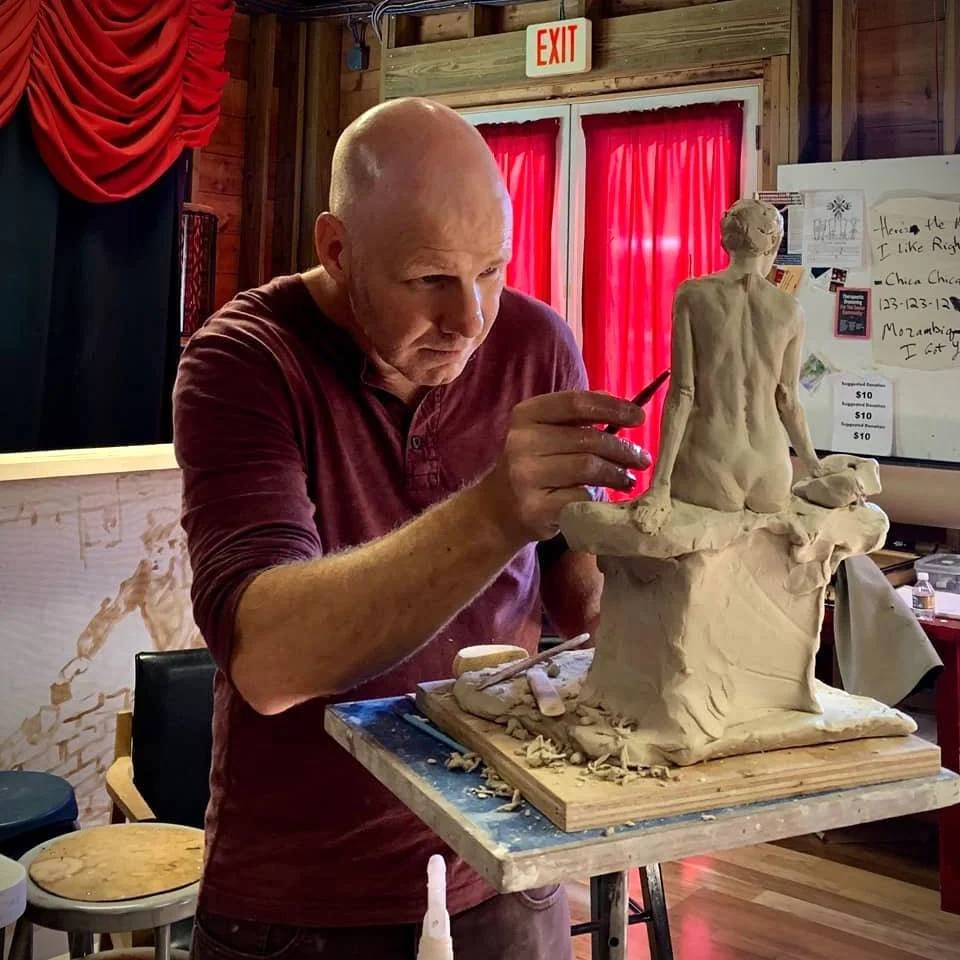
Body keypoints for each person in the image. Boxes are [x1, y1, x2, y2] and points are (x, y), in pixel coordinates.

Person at [173, 97, 650, 960]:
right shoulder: (244, 359)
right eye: (429, 279)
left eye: (492, 270)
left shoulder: (536, 343)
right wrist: (495, 510)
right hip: (306, 902)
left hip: (509, 862)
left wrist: (673, 556)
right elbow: (270, 661)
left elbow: (585, 607)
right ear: (336, 247)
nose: (470, 320)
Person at [632, 197, 822, 534]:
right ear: (774, 243)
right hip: (771, 469)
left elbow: (682, 393)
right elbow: (788, 400)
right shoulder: (791, 310)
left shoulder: (692, 295)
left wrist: (659, 484)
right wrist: (814, 466)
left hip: (710, 463)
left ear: (724, 241)